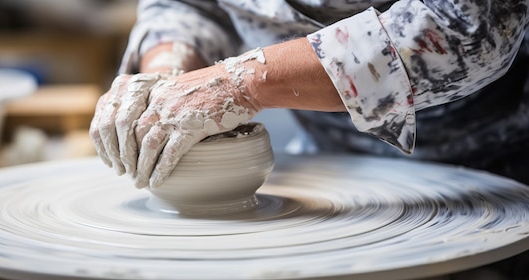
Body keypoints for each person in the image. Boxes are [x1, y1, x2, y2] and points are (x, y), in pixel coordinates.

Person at [90, 0, 529, 190]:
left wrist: (239, 84)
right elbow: (191, 6)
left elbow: (463, 24)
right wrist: (168, 71)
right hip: (332, 164)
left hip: (496, 159)